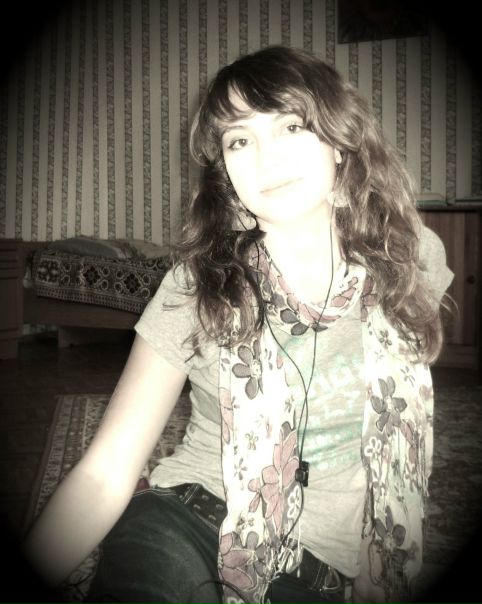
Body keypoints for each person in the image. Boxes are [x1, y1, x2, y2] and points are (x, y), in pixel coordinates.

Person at [23, 46, 453, 604]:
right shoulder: (195, 285)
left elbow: (398, 424)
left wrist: (381, 549)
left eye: (291, 126)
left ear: (340, 143)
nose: (266, 158)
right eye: (240, 140)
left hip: (317, 569)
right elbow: (106, 472)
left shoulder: (411, 259)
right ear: (225, 170)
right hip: (186, 521)